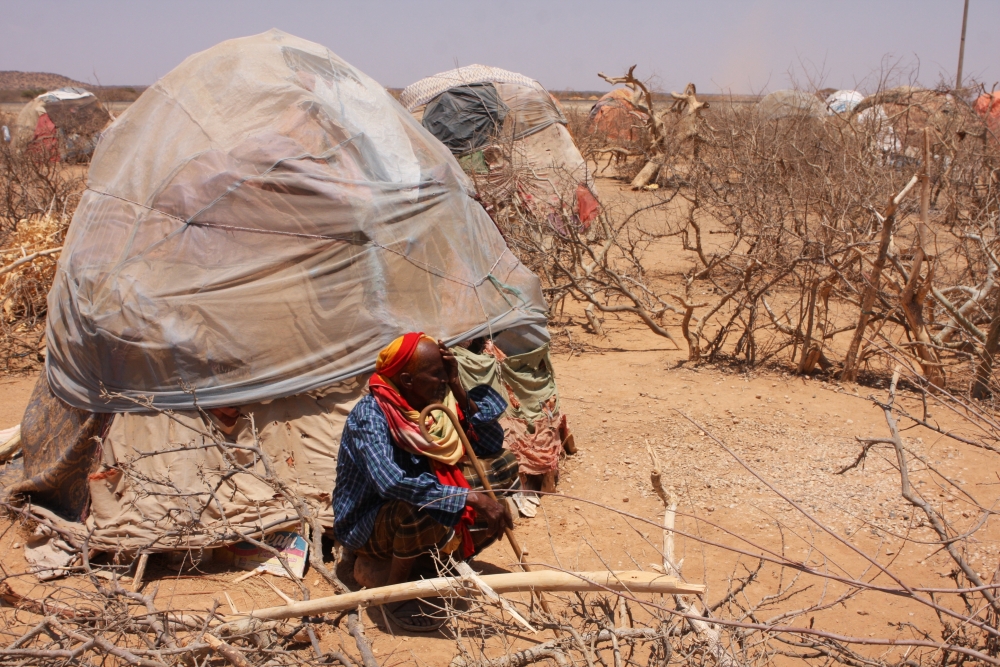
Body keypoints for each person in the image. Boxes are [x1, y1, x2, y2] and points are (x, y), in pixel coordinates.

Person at [333, 332, 518, 630]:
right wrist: (470, 498)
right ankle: (394, 595)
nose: (443, 380)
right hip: (367, 524)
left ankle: (435, 560)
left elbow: (488, 444)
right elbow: (391, 482)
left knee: (501, 467)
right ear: (407, 380)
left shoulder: (432, 402)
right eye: (437, 375)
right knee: (427, 505)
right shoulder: (371, 414)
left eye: (446, 373)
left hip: (406, 506)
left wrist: (457, 386)